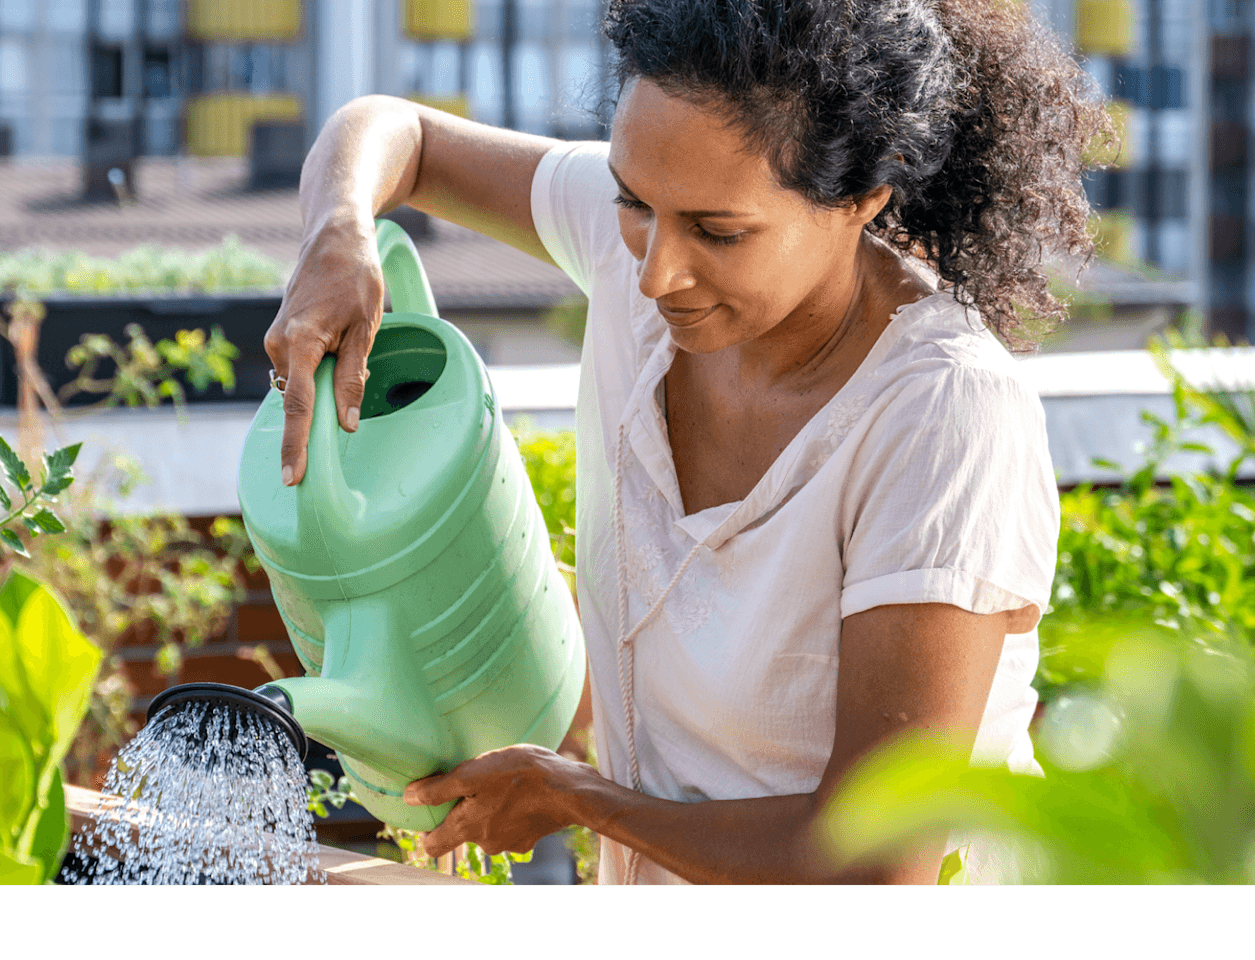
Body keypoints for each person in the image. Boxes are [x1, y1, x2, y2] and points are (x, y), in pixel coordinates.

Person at [263, 0, 1105, 883]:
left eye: (719, 232)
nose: (656, 270)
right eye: (634, 202)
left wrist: (583, 799)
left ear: (863, 198)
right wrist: (339, 230)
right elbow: (397, 133)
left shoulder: (943, 416)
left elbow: (874, 866)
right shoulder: (652, 236)